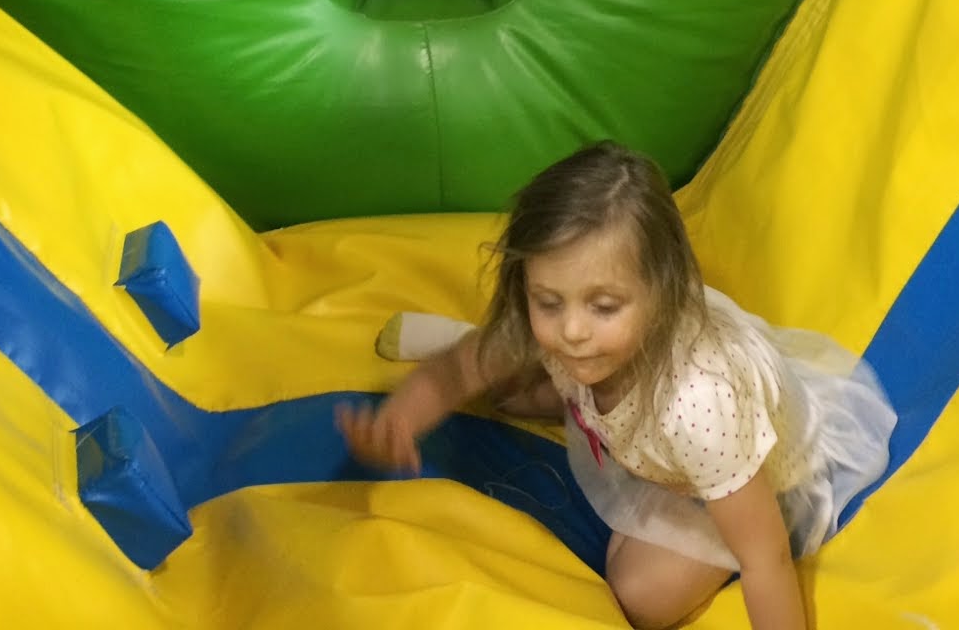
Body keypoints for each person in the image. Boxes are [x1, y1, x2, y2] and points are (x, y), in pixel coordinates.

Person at [337, 141, 896, 630]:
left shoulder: (700, 402)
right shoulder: (578, 330)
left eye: (603, 306)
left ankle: (551, 392)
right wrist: (397, 423)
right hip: (645, 410)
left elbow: (764, 556)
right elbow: (457, 371)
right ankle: (510, 362)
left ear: (663, 292)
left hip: (745, 476)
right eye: (547, 301)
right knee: (507, 384)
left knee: (640, 596)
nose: (573, 330)